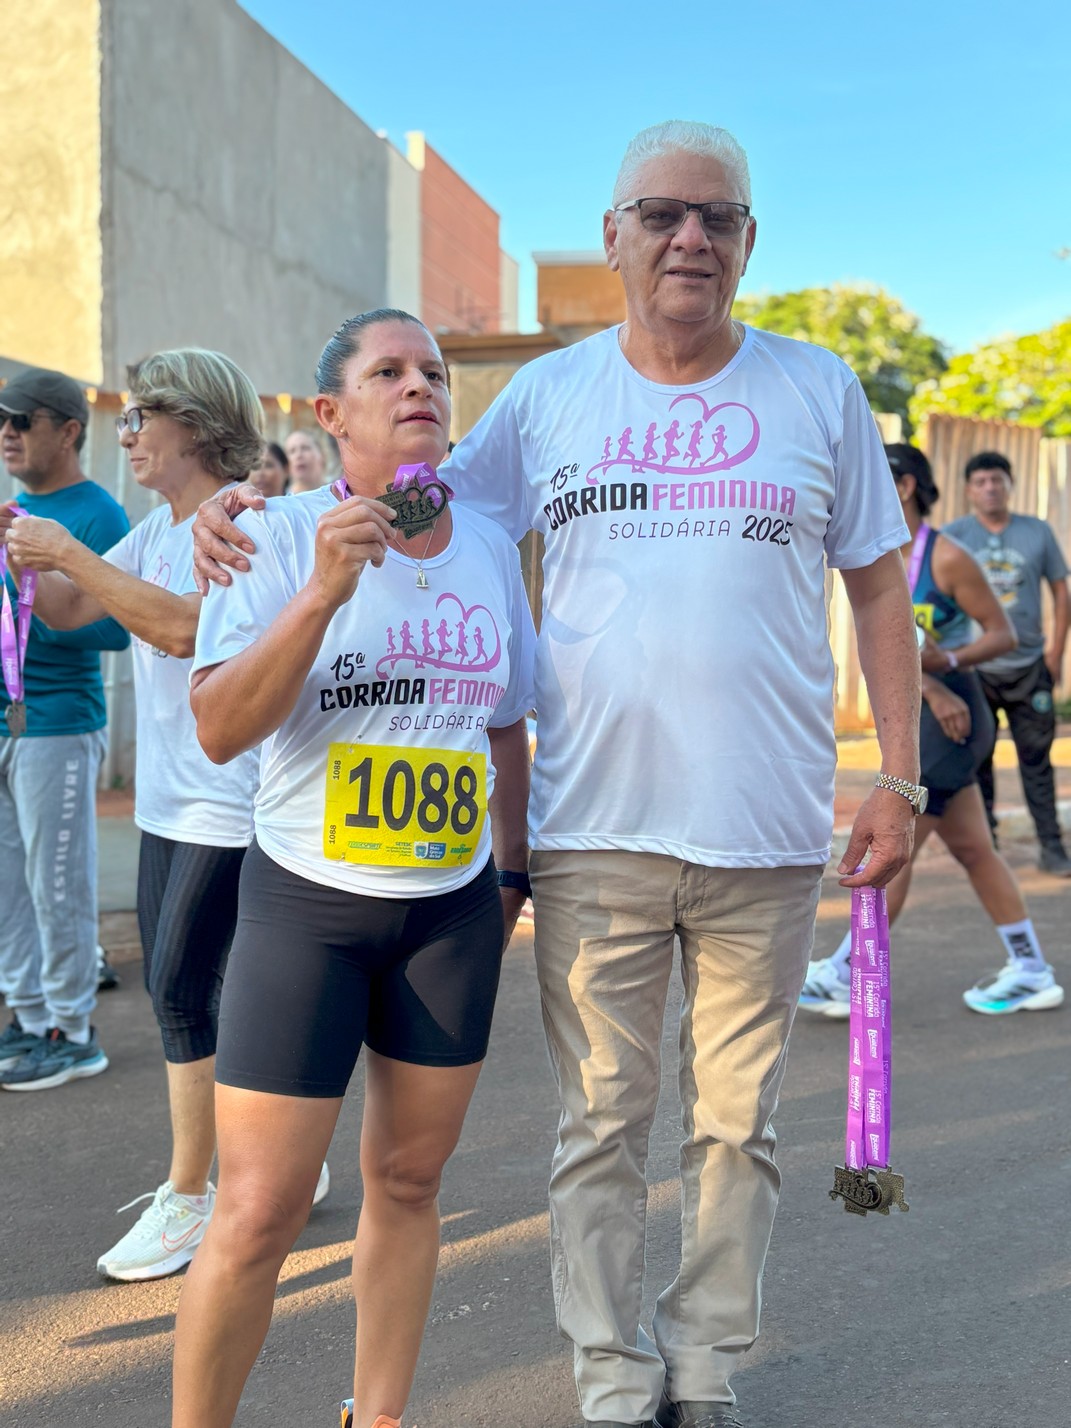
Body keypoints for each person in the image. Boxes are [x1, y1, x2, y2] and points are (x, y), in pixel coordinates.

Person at [191, 123, 921, 1428]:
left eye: (715, 217)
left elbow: (875, 585)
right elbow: (413, 499)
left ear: (747, 242)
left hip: (763, 839)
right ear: (614, 238)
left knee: (732, 1135)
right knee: (597, 1135)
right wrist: (255, 498)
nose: (687, 236)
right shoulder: (546, 399)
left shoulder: (815, 393)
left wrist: (901, 782)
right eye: (659, 214)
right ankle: (610, 1383)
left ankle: (700, 1373)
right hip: (591, 840)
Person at [172, 309, 535, 1428]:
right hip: (308, 910)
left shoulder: (482, 542)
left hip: (450, 916)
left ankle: (375, 1416)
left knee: (411, 1184)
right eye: (389, 371)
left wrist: (513, 878)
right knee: (260, 1210)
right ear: (329, 415)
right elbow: (220, 727)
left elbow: (508, 725)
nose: (420, 384)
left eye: (432, 370)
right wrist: (322, 589)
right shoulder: (269, 537)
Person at [0, 349, 324, 1280]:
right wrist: (26, 547)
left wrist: (65, 549)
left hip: (236, 801)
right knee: (204, 995)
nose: (127, 434)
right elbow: (65, 611)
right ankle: (276, 1160)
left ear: (197, 425)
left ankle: (192, 1197)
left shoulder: (247, 523)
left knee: (184, 993)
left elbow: (190, 628)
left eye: (143, 417)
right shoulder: (153, 529)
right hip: (173, 805)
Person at [801, 444, 1063, 1018]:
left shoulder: (944, 557)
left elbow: (1002, 636)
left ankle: (847, 970)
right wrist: (927, 682)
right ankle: (1030, 967)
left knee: (894, 848)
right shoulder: (879, 552)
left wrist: (942, 670)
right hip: (927, 711)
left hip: (955, 720)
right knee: (974, 849)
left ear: (905, 487)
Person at [0, 366, 130, 1090]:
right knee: (7, 888)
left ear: (68, 430)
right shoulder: (11, 509)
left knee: (57, 885)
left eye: (23, 420)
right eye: (3, 422)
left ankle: (72, 1027)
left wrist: (36, 583)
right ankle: (25, 1014)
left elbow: (115, 632)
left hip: (57, 724)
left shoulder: (97, 514)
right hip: (7, 720)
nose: (8, 433)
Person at [944, 450, 1071, 874]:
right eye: (980, 482)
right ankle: (989, 847)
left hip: (1029, 665)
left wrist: (1055, 652)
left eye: (996, 480)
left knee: (1035, 759)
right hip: (976, 669)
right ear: (968, 490)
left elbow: (1060, 590)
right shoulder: (955, 536)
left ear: (1009, 484)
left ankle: (1052, 847)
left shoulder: (1036, 532)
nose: (989, 488)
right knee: (978, 760)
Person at [284, 426, 328, 493]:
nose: (298, 455)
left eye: (305, 448)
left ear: (322, 455)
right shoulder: (282, 500)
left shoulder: (339, 494)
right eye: (292, 451)